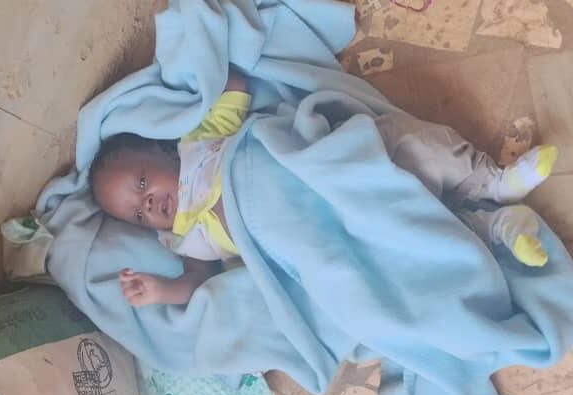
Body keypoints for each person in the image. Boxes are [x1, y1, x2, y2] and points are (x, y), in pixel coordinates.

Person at [89, 70, 558, 307]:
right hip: (325, 225)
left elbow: (235, 85)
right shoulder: (186, 239)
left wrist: (185, 87)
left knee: (410, 145)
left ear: (162, 149)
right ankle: (495, 228)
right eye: (139, 214)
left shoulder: (198, 142)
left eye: (143, 183)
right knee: (403, 240)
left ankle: (493, 182)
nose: (150, 203)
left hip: (322, 167)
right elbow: (195, 282)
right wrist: (160, 290)